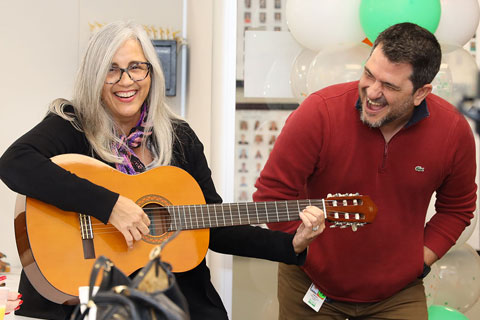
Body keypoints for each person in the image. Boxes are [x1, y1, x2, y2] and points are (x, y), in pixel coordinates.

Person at [0, 20, 325, 320]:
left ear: (151, 73)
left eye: (135, 68)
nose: (125, 81)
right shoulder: (72, 124)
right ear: (94, 77)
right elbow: (15, 163)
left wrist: (289, 244)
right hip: (84, 294)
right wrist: (110, 206)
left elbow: (212, 222)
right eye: (111, 70)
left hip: (170, 297)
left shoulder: (179, 137)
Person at [253, 22, 477, 319]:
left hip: (398, 294)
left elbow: (457, 208)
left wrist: (420, 259)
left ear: (421, 92)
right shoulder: (319, 113)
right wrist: (299, 247)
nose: (371, 92)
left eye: (390, 86)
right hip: (310, 285)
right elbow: (271, 195)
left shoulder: (452, 131)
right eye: (369, 74)